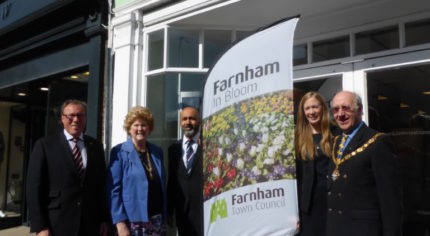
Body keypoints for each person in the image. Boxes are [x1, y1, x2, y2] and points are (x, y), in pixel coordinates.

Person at [26, 99, 108, 236]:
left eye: (80, 115)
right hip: (57, 223)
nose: (76, 119)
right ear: (62, 118)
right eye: (71, 115)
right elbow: (34, 188)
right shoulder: (45, 145)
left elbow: (101, 185)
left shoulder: (95, 146)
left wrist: (104, 219)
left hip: (90, 223)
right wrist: (40, 226)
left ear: (86, 118)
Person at [327, 91, 401, 236]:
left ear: (359, 109)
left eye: (345, 108)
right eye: (336, 109)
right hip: (336, 229)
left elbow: (390, 200)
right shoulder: (335, 142)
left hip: (363, 230)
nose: (340, 114)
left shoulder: (378, 142)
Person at [107, 106, 167, 236]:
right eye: (136, 125)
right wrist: (120, 223)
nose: (140, 129)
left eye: (144, 125)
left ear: (149, 128)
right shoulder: (119, 152)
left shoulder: (157, 152)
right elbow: (113, 190)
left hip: (157, 220)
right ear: (129, 128)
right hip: (132, 222)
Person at [295, 92, 333, 236]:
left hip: (332, 202)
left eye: (315, 107)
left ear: (322, 108)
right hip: (308, 206)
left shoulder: (335, 133)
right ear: (303, 112)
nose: (311, 112)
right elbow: (296, 177)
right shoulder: (297, 137)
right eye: (307, 108)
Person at [167, 106, 203, 236]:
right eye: (184, 119)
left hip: (204, 213)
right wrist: (169, 211)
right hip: (182, 214)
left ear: (199, 121)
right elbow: (172, 181)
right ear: (180, 123)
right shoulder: (173, 149)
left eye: (192, 119)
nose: (188, 122)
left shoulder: (207, 145)